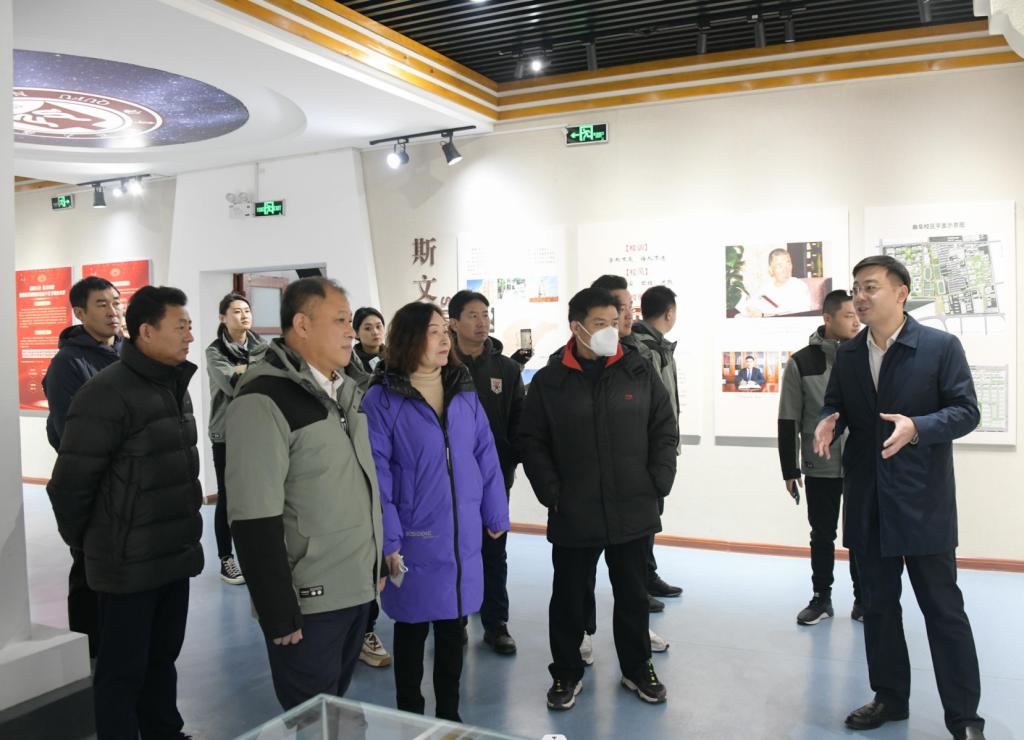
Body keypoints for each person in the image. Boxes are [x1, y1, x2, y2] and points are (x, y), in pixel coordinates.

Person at [815, 256, 985, 739]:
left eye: (870, 287)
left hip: (923, 502)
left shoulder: (939, 347)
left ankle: (964, 718)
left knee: (943, 611)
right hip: (868, 501)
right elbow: (838, 404)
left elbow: (967, 411)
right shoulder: (850, 353)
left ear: (901, 293)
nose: (860, 297)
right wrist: (829, 419)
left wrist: (918, 427)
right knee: (878, 607)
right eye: (856, 289)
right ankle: (889, 697)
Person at [47, 285, 203, 740]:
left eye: (189, 326)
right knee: (122, 671)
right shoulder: (106, 393)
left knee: (162, 660)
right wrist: (98, 544)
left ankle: (164, 732)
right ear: (147, 332)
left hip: (172, 555)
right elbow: (70, 484)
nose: (189, 336)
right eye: (180, 326)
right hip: (127, 565)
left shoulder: (174, 385)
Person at [225, 277, 384, 710]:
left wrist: (375, 562)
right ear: (302, 325)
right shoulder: (264, 399)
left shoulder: (343, 390)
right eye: (341, 321)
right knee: (312, 720)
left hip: (354, 588)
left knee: (337, 711)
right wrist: (277, 609)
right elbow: (253, 517)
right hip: (308, 600)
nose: (351, 333)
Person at [519, 287, 678, 710]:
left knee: (632, 596)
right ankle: (566, 672)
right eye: (600, 323)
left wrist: (659, 480)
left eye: (615, 321)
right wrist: (552, 492)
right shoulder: (551, 381)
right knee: (569, 598)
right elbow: (532, 441)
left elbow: (664, 427)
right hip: (575, 508)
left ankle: (637, 668)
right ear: (577, 328)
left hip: (633, 505)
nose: (611, 330)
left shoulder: (637, 370)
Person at [361, 301, 509, 721]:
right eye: (434, 332)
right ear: (410, 339)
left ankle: (449, 717)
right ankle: (410, 715)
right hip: (413, 536)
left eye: (446, 331)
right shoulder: (382, 399)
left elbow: (485, 453)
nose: (445, 340)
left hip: (460, 533)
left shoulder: (462, 389)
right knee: (410, 629)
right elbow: (377, 478)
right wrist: (389, 540)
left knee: (451, 627)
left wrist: (495, 511)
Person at [42, 276, 124, 659]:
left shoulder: (129, 353)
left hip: (129, 486)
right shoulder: (68, 363)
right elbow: (69, 433)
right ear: (80, 312)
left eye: (116, 302)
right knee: (89, 569)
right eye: (102, 304)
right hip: (92, 487)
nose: (113, 311)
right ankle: (90, 653)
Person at [591, 275, 679, 624]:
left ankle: (645, 584)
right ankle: (582, 634)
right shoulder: (566, 367)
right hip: (591, 489)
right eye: (619, 308)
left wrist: (660, 471)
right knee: (581, 571)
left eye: (629, 307)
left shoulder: (640, 356)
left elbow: (661, 417)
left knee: (637, 547)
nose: (627, 315)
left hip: (640, 474)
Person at [778, 289, 863, 625]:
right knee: (822, 534)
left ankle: (863, 599)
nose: (856, 321)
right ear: (828, 318)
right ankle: (821, 598)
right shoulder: (802, 362)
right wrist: (789, 468)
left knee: (860, 534)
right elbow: (789, 417)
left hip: (860, 462)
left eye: (858, 315)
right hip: (820, 463)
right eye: (848, 315)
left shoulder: (865, 355)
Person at [448, 290, 524, 655]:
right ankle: (456, 619)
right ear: (453, 323)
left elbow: (519, 420)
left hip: (494, 480)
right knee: (456, 550)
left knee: (495, 551)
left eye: (485, 314)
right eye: (473, 315)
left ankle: (496, 624)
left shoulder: (505, 369)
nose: (482, 322)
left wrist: (509, 460)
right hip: (450, 482)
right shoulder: (443, 367)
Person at [204, 292, 268, 586]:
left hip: (259, 430)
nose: (244, 315)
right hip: (227, 434)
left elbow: (272, 380)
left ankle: (257, 557)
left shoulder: (263, 346)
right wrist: (252, 372)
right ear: (222, 318)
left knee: (260, 496)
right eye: (237, 311)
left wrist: (246, 370)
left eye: (247, 310)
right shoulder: (215, 351)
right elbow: (234, 385)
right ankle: (226, 559)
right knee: (228, 497)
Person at [742, 248, 812, 317]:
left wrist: (764, 315)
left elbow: (799, 313)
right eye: (779, 265)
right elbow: (751, 302)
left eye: (788, 263)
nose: (786, 269)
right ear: (770, 269)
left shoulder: (799, 286)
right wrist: (751, 309)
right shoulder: (766, 286)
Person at [352, 306, 385, 373]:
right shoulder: (350, 362)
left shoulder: (395, 357)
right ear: (356, 333)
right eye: (368, 328)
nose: (375, 332)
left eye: (378, 326)